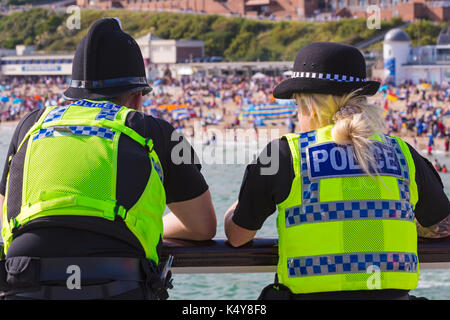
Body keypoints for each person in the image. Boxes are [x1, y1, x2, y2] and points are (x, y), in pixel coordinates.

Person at [0, 18, 216, 300]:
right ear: (138, 98)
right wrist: (142, 227)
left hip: (24, 283)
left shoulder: (30, 125)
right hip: (119, 286)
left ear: (73, 94)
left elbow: (5, 217)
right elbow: (203, 227)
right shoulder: (156, 132)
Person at [224, 42, 450, 300]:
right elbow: (442, 226)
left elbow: (238, 236)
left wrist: (240, 203)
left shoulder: (285, 155)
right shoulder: (403, 154)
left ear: (308, 105)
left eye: (297, 105)